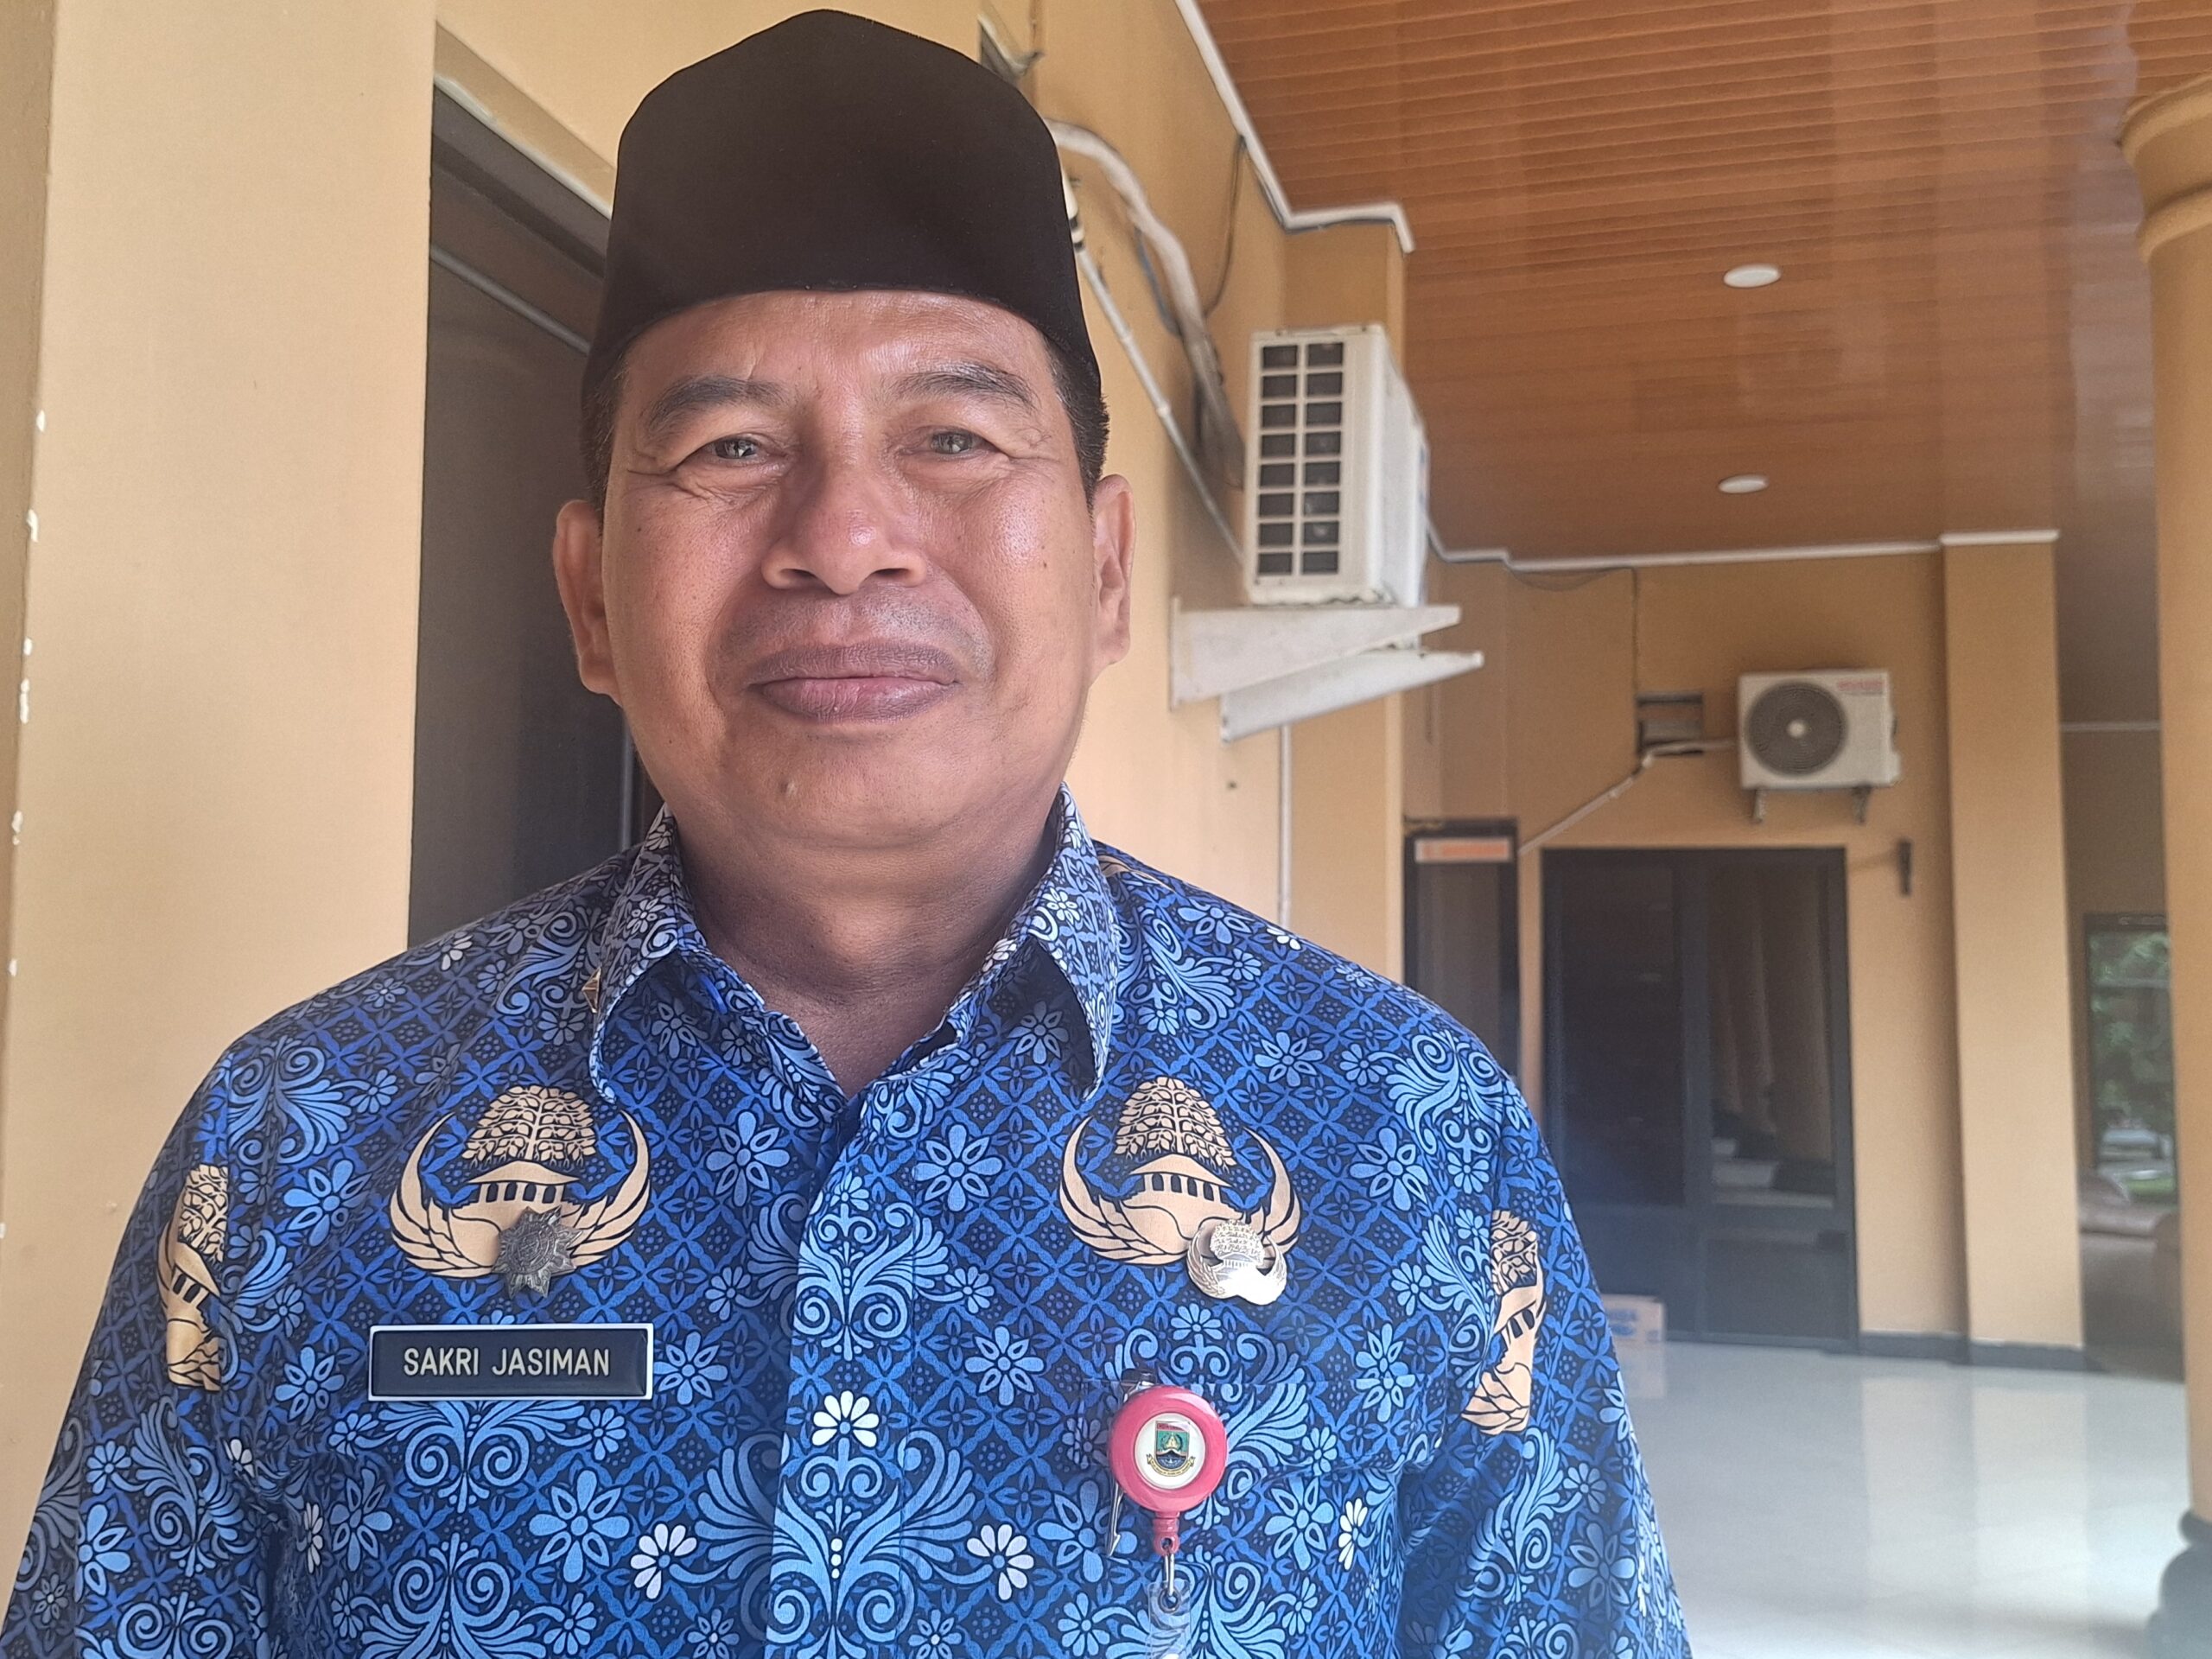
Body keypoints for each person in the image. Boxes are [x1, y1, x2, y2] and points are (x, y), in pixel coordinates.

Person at [1, 11, 1686, 1656]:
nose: (845, 534)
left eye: (952, 436)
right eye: (731, 446)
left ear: (1105, 573)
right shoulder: (292, 1143)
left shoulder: (1406, 1135)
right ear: (590, 597)